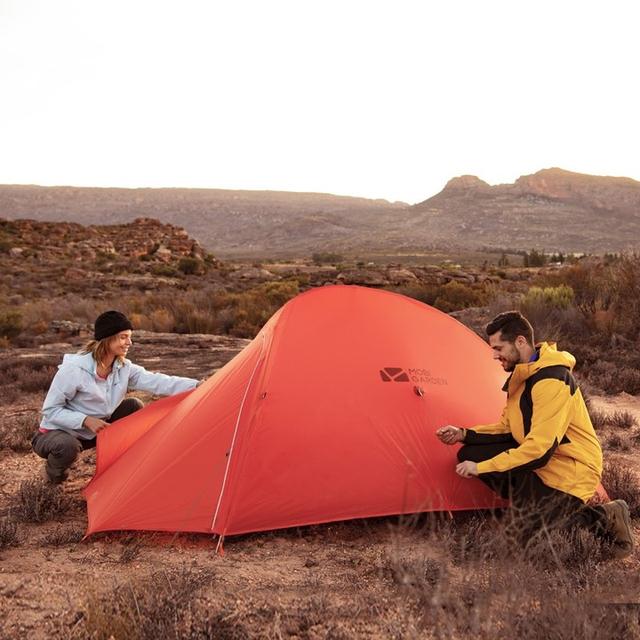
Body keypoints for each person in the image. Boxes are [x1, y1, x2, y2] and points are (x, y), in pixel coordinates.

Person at [436, 310, 634, 559]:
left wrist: (483, 467)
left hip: (570, 470)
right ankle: (532, 508)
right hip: (544, 465)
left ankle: (607, 515)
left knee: (534, 546)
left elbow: (539, 451)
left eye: (498, 348)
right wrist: (464, 433)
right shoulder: (523, 375)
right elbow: (507, 427)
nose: (495, 355)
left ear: (520, 341)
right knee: (470, 451)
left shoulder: (552, 380)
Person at [32, 310, 200, 484]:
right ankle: (51, 480)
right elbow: (51, 410)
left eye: (129, 337)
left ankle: (120, 473)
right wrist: (85, 420)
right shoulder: (74, 370)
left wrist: (195, 385)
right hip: (57, 434)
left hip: (95, 431)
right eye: (123, 337)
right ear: (107, 338)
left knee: (133, 406)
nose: (129, 342)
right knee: (67, 447)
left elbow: (157, 380)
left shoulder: (123, 366)